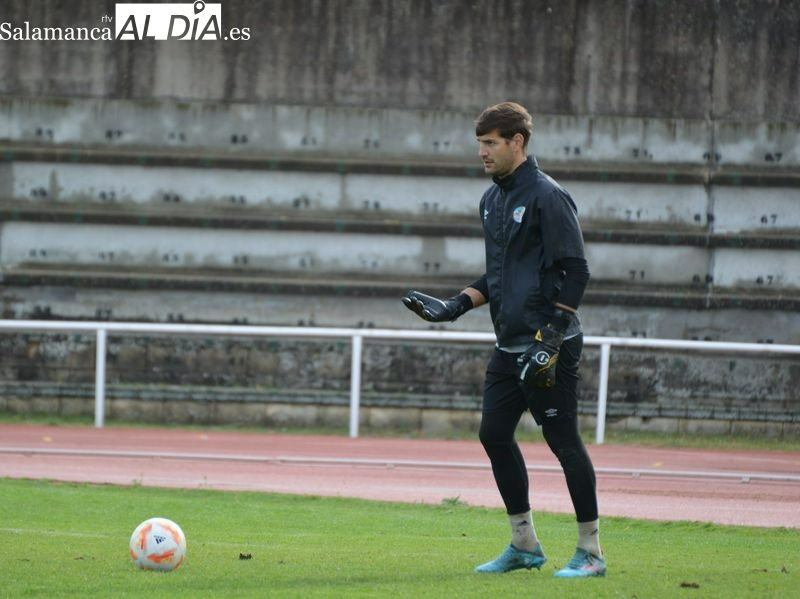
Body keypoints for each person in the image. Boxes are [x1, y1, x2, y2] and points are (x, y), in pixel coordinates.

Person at [402, 101, 605, 578]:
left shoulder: (548, 196)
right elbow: (499, 275)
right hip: (509, 344)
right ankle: (524, 546)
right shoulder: (492, 199)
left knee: (564, 443)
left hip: (548, 344)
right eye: (480, 143)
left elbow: (577, 270)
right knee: (493, 435)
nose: (482, 152)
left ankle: (591, 553)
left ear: (518, 141)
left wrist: (552, 338)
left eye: (491, 142)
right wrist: (454, 305)